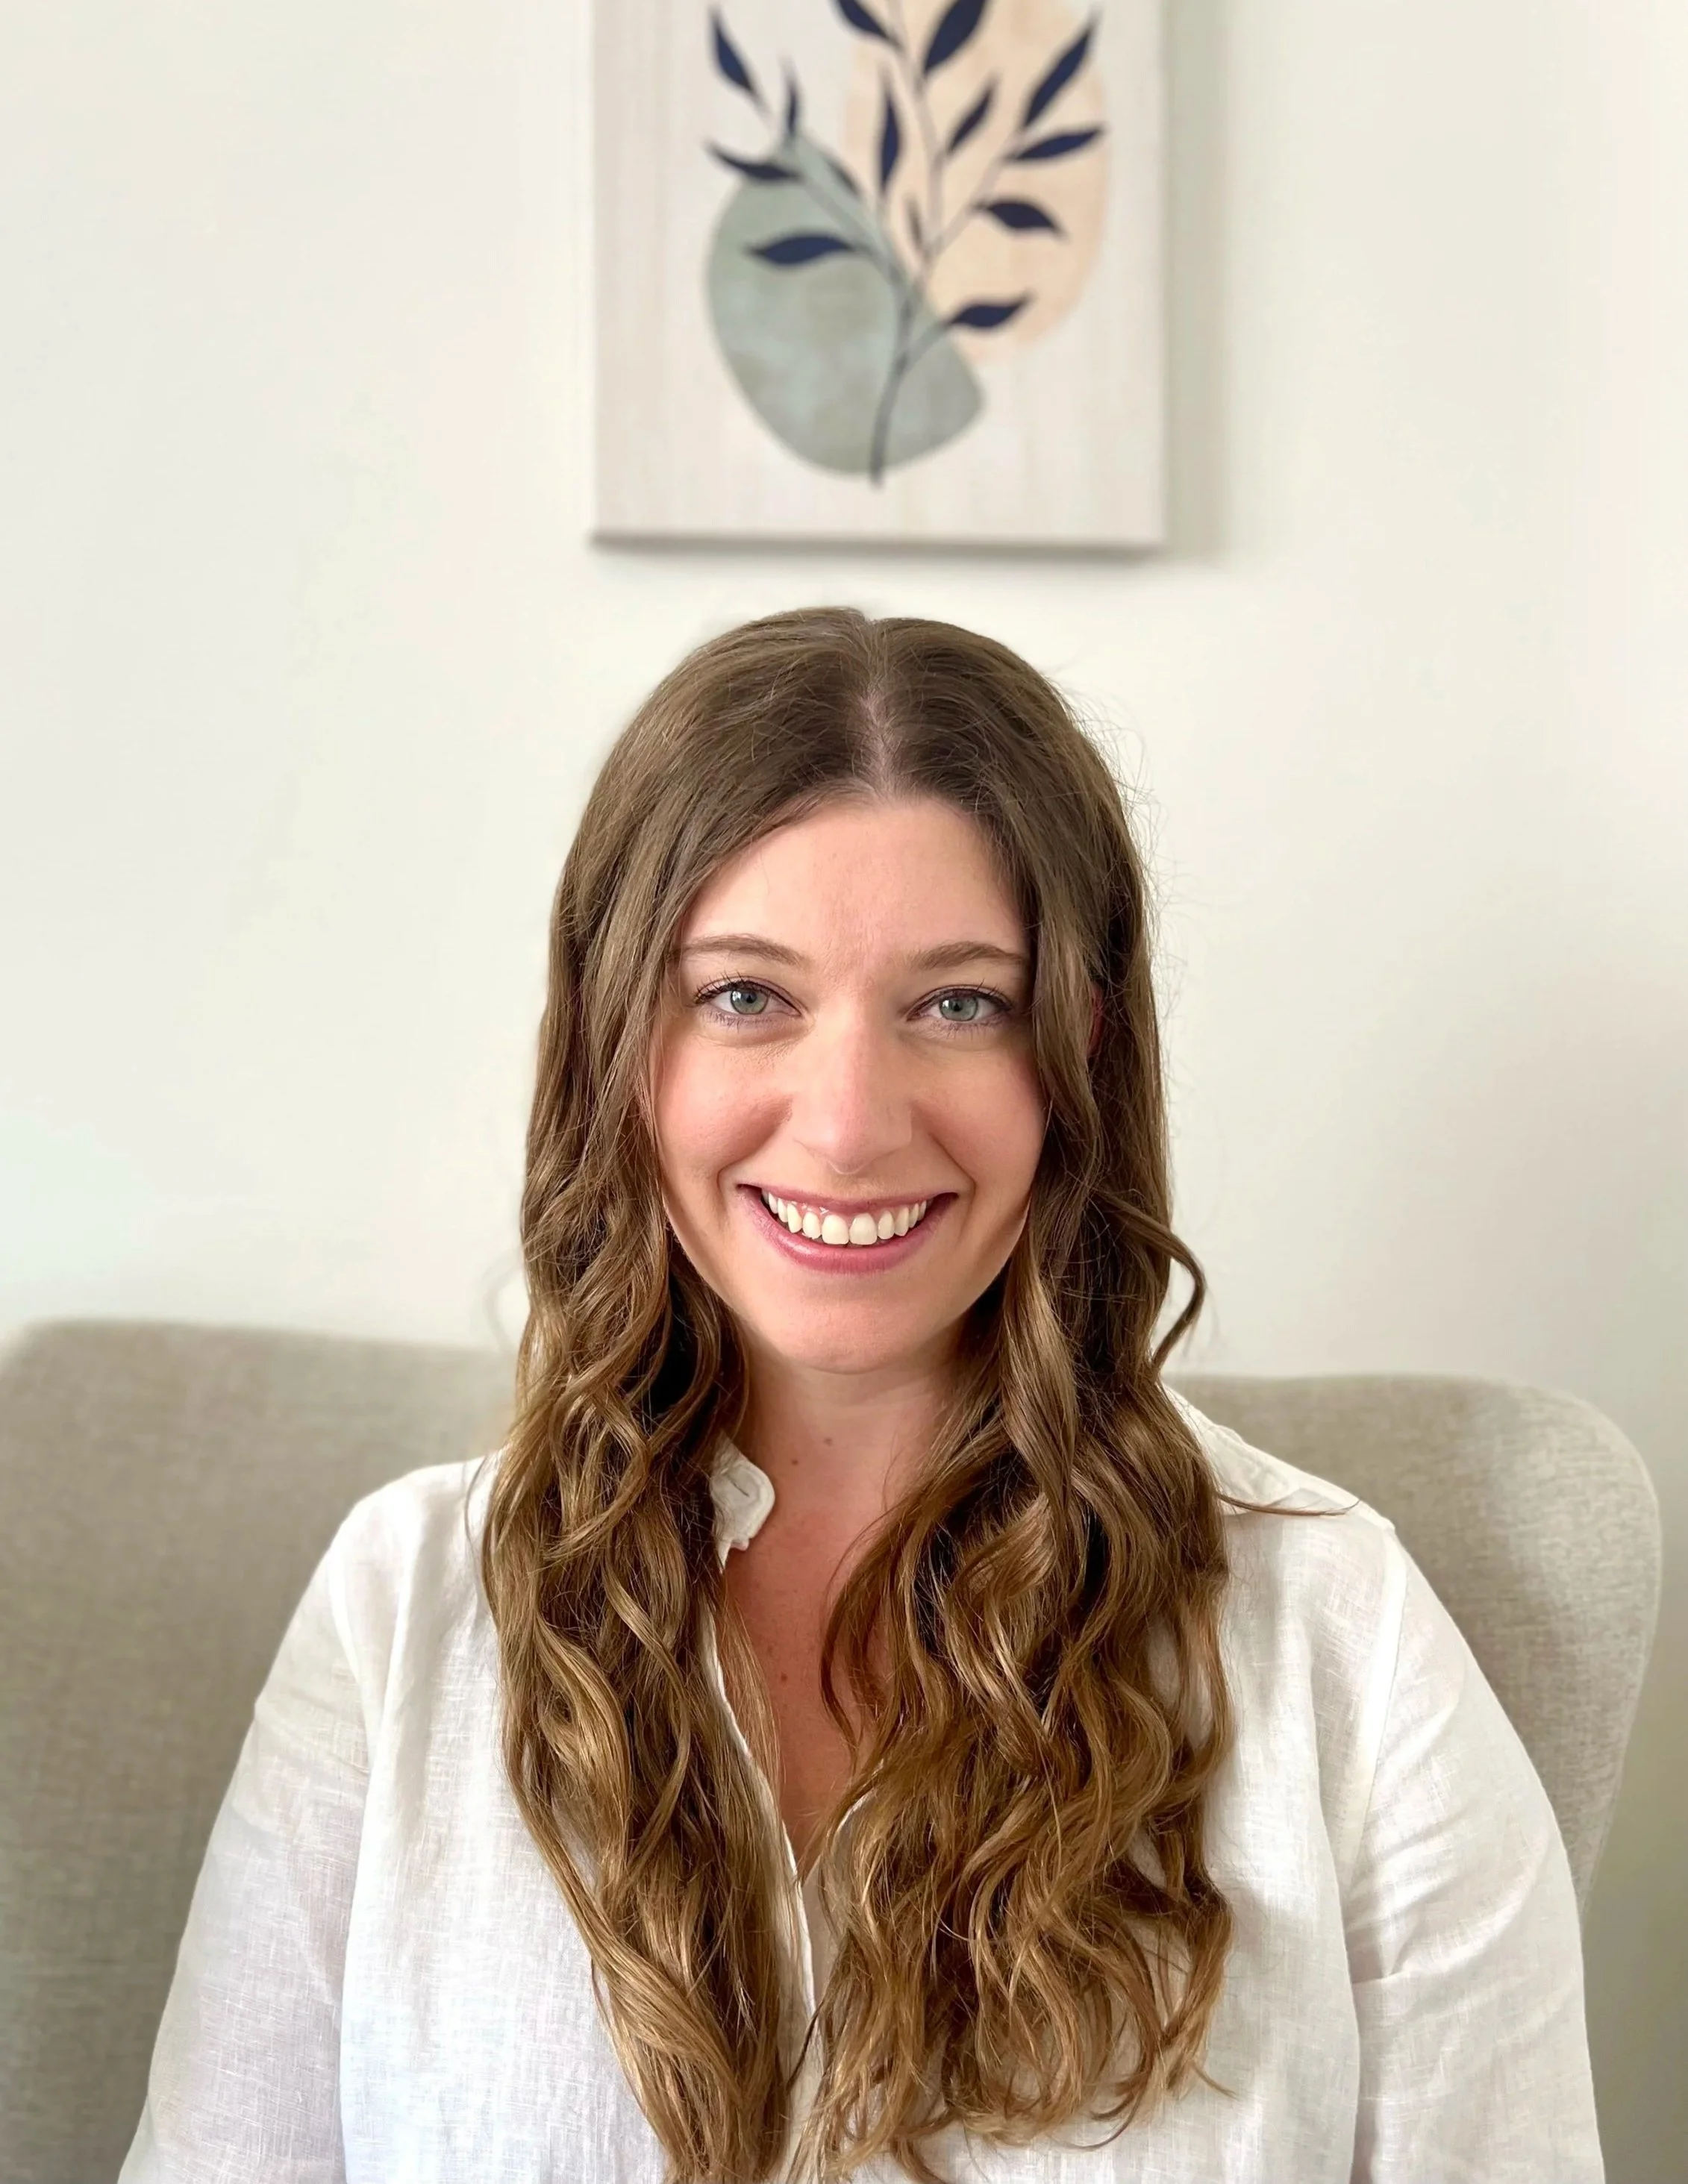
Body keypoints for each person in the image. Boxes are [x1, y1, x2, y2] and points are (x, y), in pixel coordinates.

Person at [120, 607, 1602, 2183]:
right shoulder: (403, 1604)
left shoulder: (1343, 1638)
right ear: (622, 1042)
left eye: (958, 1002)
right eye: (746, 994)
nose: (844, 1124)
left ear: (1076, 1048)